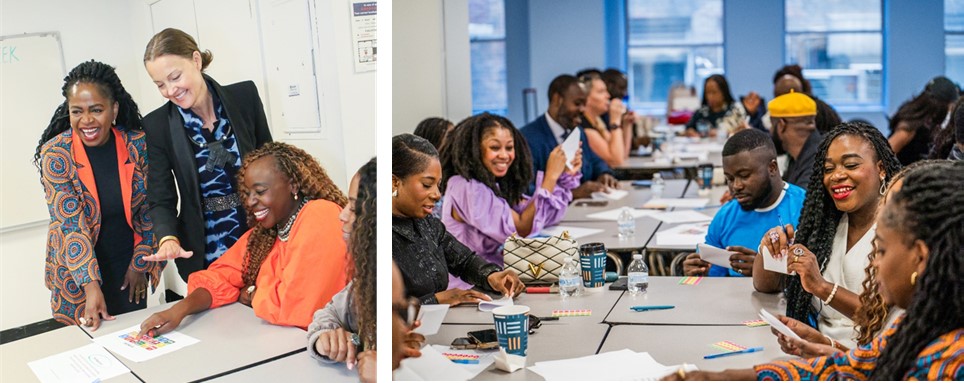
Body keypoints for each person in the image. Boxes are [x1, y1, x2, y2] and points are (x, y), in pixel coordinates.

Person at [664, 161, 963, 381]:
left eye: (881, 250)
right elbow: (855, 367)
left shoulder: (949, 365)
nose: (873, 264)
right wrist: (711, 378)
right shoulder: (925, 320)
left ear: (921, 258)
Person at [138, 142, 349, 335]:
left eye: (260, 191)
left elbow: (295, 308)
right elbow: (218, 277)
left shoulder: (321, 214)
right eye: (247, 193)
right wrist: (178, 311)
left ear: (293, 185)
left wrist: (251, 293)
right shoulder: (267, 233)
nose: (250, 202)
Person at [35, 60, 163, 329]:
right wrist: (90, 285)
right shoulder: (56, 155)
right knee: (85, 353)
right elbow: (71, 224)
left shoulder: (137, 145)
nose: (87, 120)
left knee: (131, 341)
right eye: (77, 111)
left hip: (128, 268)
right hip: (76, 269)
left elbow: (151, 209)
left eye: (96, 110)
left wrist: (140, 262)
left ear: (113, 109)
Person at [753, 122, 902, 350]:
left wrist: (821, 286)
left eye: (851, 165)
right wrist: (769, 251)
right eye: (828, 168)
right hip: (823, 350)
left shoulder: (903, 232)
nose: (837, 176)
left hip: (876, 360)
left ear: (881, 169)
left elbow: (886, 318)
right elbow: (765, 287)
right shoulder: (825, 227)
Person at [141, 28, 273, 282]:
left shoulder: (244, 97)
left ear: (196, 60)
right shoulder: (157, 126)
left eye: (175, 77)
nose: (170, 90)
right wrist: (168, 238)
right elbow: (161, 198)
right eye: (160, 85)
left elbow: (272, 164)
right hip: (207, 249)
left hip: (260, 234)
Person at [440, 113, 579, 277]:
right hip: (471, 286)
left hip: (495, 276)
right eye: (495, 147)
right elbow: (521, 230)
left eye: (509, 147)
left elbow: (545, 218)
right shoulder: (465, 186)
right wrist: (550, 178)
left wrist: (563, 178)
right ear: (474, 149)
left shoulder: (493, 185)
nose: (504, 155)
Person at [392, 134, 525, 306]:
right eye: (426, 185)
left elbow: (464, 261)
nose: (437, 195)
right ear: (394, 183)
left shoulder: (427, 224)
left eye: (438, 185)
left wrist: (491, 275)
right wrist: (436, 300)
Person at [682, 129, 806, 277]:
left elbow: (818, 276)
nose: (736, 186)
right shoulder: (725, 216)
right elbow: (714, 278)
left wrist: (763, 270)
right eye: (729, 178)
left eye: (744, 176)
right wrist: (698, 271)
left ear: (772, 168)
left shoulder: (804, 209)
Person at [307, 159, 376, 376]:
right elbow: (331, 312)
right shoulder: (369, 274)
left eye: (354, 208)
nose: (342, 214)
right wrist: (328, 337)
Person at [520, 74, 618, 200]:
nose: (583, 110)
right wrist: (571, 194)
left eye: (584, 104)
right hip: (549, 217)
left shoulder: (577, 132)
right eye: (577, 103)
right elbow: (527, 190)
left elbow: (594, 161)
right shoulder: (527, 139)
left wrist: (604, 173)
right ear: (557, 100)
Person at [888, 76, 959, 166]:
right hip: (905, 176)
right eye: (951, 106)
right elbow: (884, 155)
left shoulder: (928, 123)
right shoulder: (910, 127)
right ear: (943, 106)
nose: (951, 110)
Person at [769, 90, 820, 190]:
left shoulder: (817, 161)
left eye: (771, 125)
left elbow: (799, 202)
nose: (770, 130)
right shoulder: (797, 156)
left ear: (781, 125)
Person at [579, 72, 629, 167]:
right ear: (586, 98)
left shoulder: (597, 122)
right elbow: (616, 161)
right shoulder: (584, 126)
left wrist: (627, 124)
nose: (608, 96)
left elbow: (623, 154)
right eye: (601, 91)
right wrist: (615, 121)